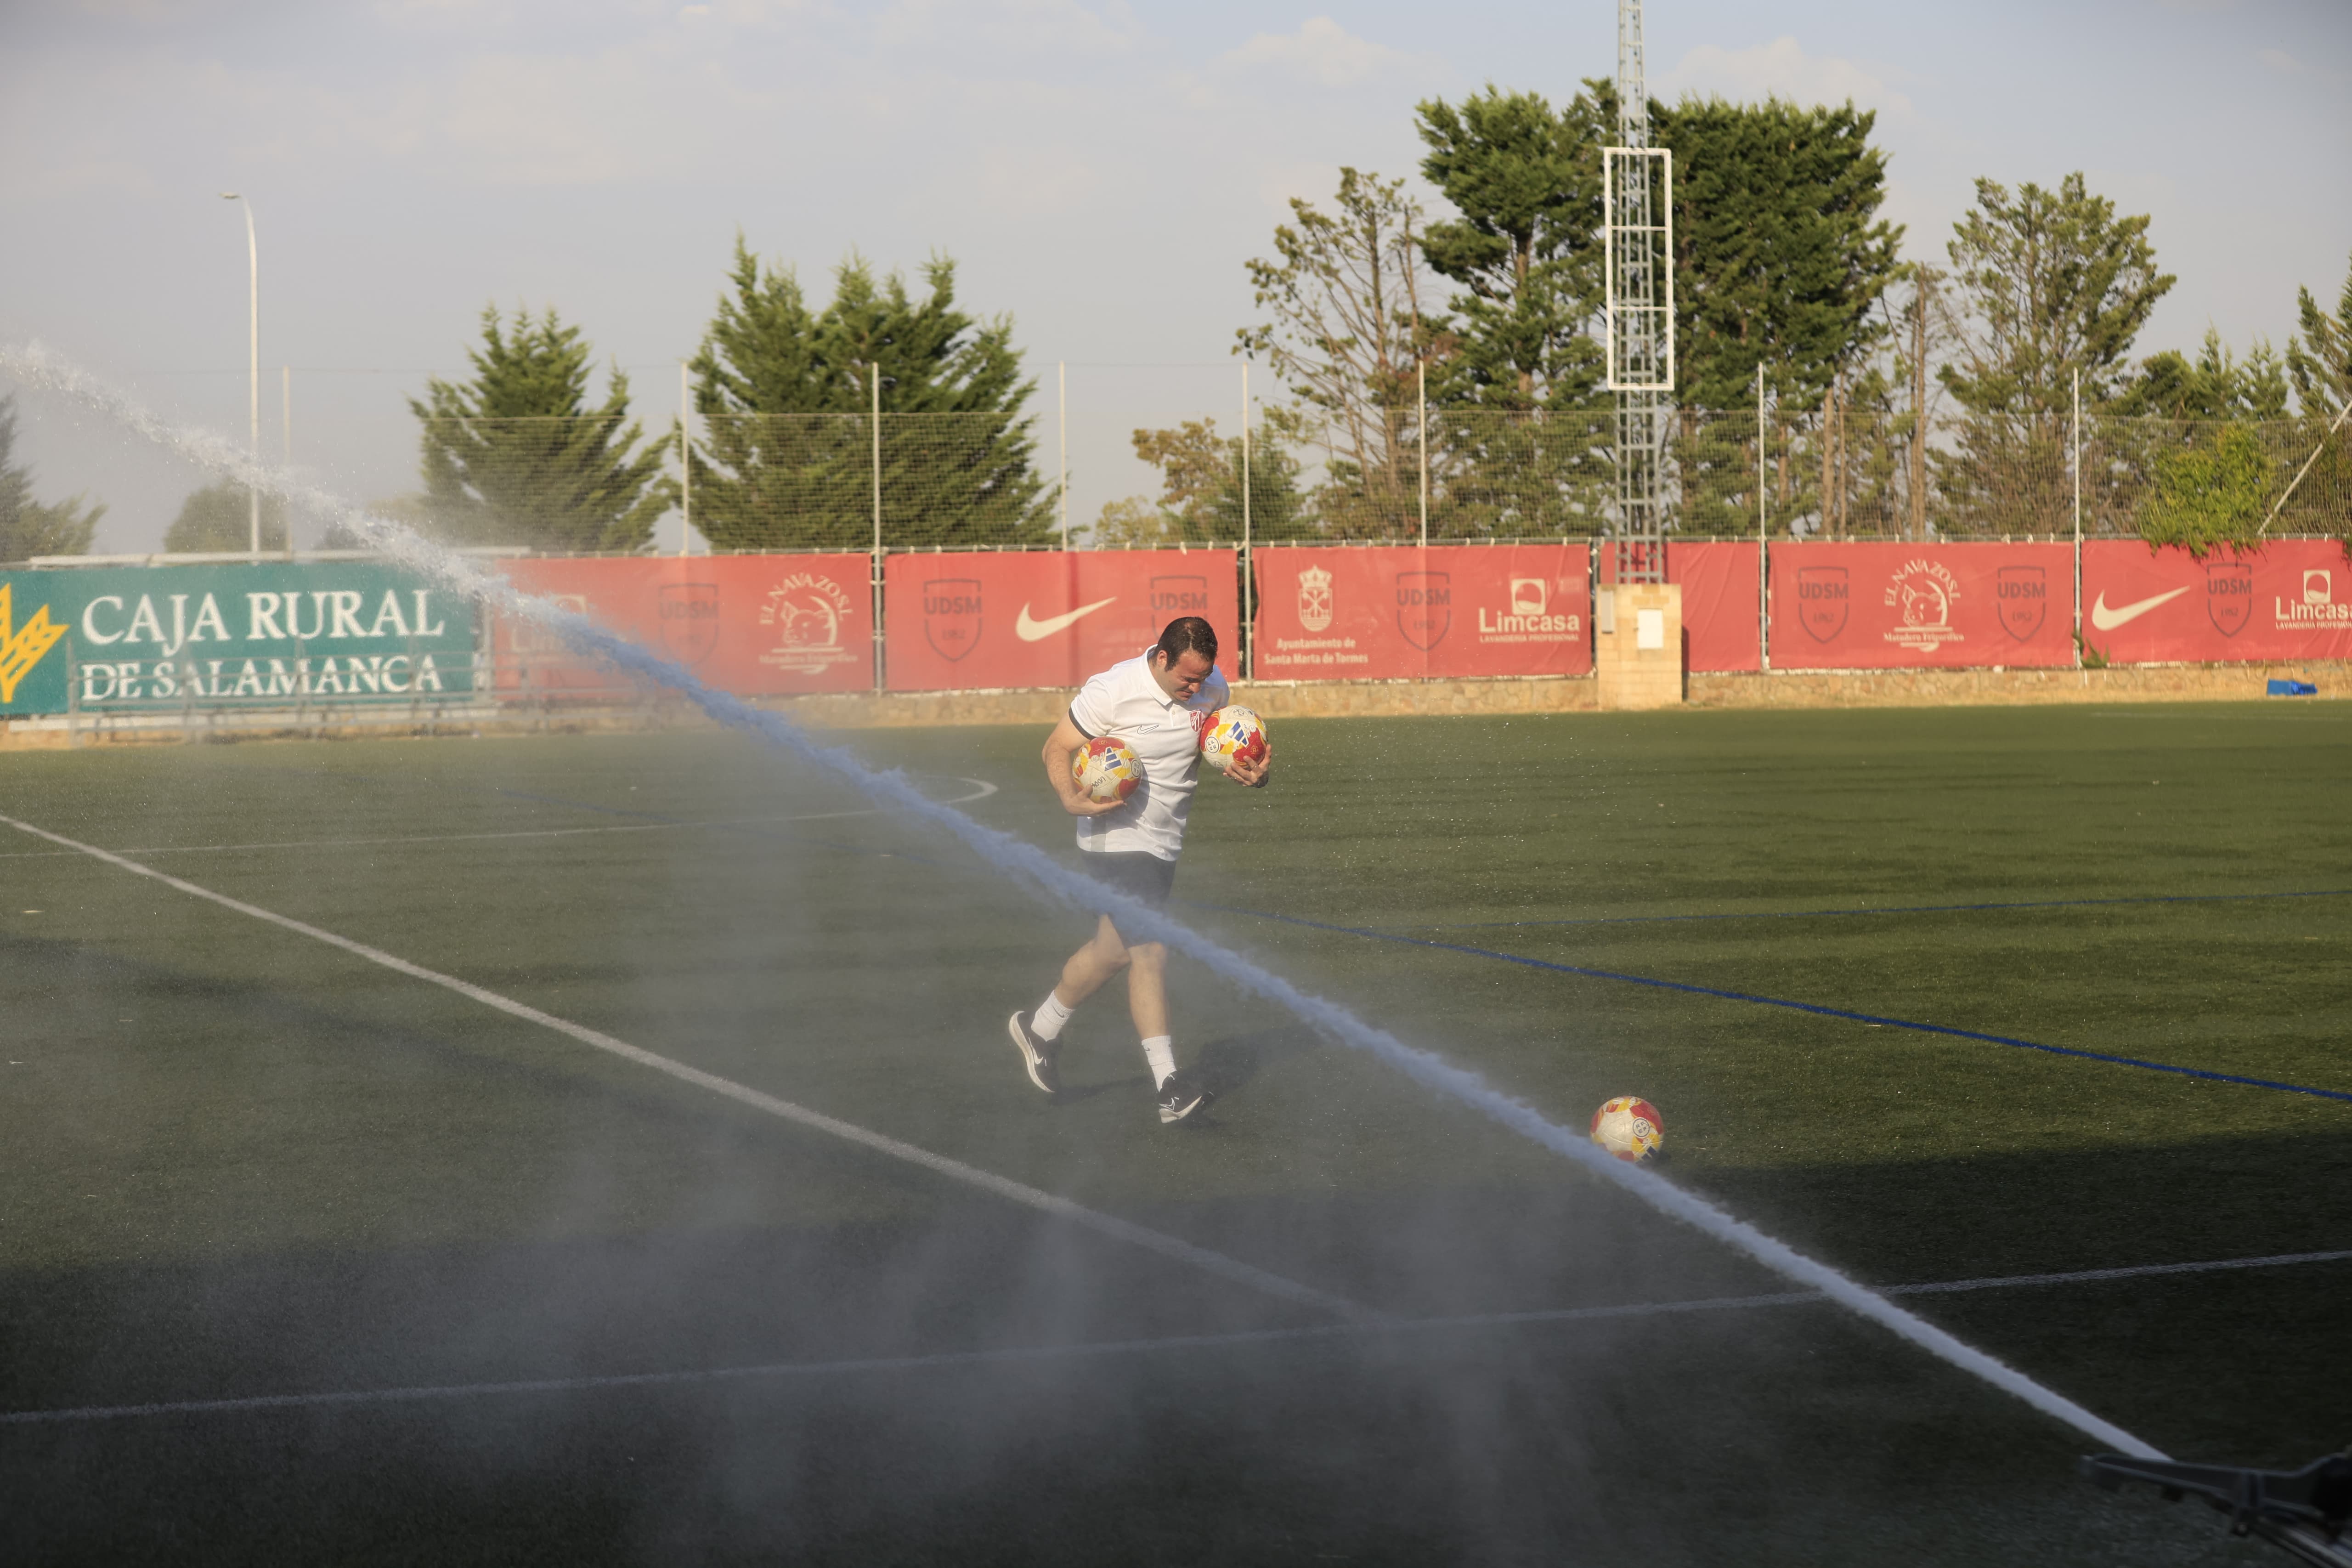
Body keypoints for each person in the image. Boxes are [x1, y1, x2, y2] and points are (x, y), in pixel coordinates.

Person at [1007, 615, 1270, 1123]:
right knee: (1149, 947)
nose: (1195, 688)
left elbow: (1214, 750)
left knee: (1112, 952)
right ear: (1161, 657)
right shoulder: (1112, 690)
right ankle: (1169, 1086)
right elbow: (1054, 747)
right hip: (1112, 838)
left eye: (1203, 678)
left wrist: (1251, 774)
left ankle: (1038, 1028)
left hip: (1163, 842)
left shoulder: (1214, 689)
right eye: (1186, 679)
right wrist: (1069, 797)